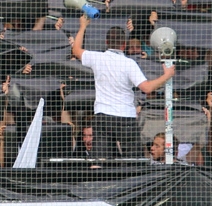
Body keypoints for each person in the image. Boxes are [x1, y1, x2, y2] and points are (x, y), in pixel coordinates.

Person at [72, 15, 175, 157]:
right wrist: (166, 75)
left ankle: (96, 178)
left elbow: (76, 50)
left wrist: (83, 26)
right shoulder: (129, 63)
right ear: (124, 45)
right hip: (126, 117)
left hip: (103, 116)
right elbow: (147, 88)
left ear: (106, 42)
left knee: (99, 160)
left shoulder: (97, 58)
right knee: (133, 160)